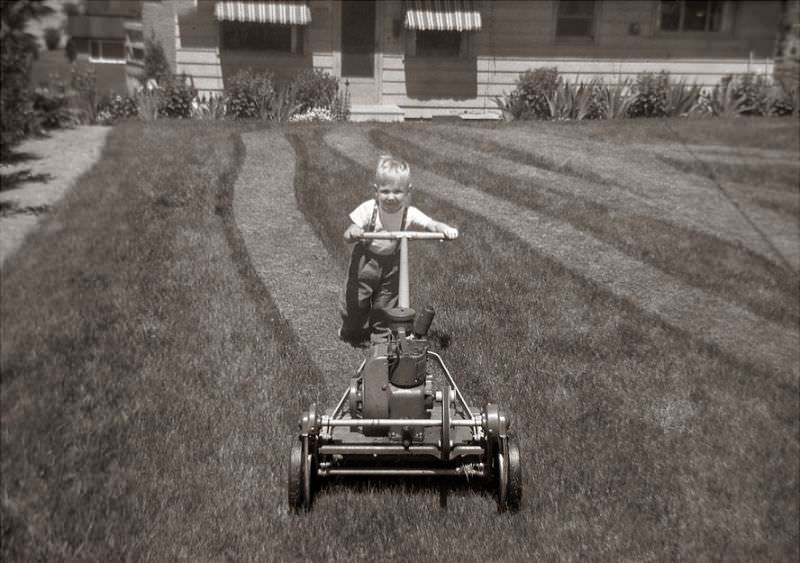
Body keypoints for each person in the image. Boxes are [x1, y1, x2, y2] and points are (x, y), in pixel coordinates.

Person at [338, 155, 458, 346]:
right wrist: (354, 232)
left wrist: (444, 229)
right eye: (385, 191)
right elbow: (347, 234)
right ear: (375, 191)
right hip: (365, 263)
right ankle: (351, 329)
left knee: (385, 304)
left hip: (391, 266)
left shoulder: (409, 212)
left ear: (408, 191)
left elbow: (432, 224)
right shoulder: (368, 209)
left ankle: (381, 340)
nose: (391, 197)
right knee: (356, 303)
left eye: (397, 191)